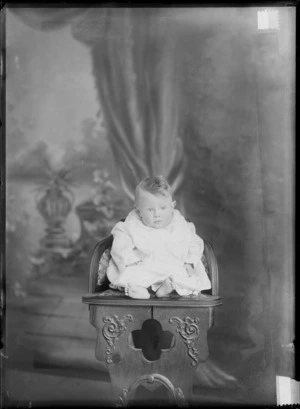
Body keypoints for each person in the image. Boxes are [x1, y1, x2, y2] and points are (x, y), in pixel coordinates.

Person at [106, 175, 211, 299]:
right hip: (144, 264)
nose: (157, 214)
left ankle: (166, 288)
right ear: (138, 210)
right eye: (150, 210)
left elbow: (194, 242)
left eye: (163, 208)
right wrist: (130, 260)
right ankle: (140, 291)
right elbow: (120, 245)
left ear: (172, 206)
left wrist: (189, 262)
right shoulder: (132, 225)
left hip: (172, 265)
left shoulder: (180, 224)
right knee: (132, 275)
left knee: (184, 276)